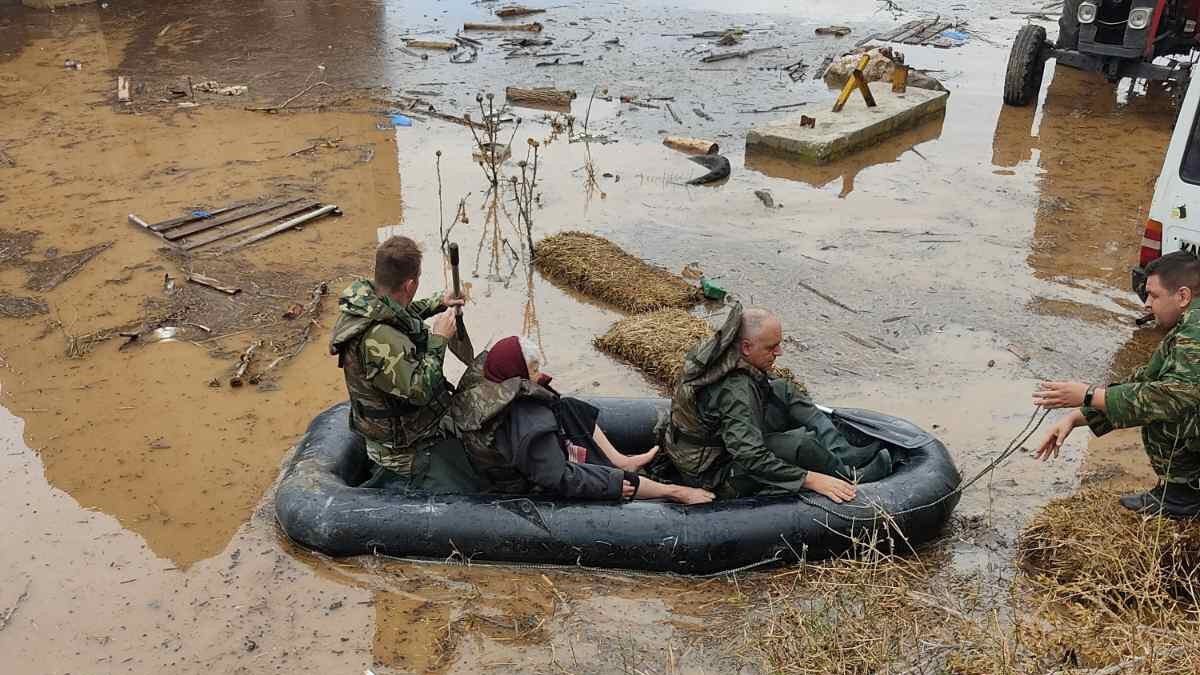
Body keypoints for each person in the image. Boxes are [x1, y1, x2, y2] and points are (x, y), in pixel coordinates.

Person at [662, 303, 891, 502]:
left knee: (784, 390)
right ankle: (850, 478)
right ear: (746, 347)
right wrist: (809, 479)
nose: (779, 352)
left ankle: (844, 454)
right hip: (715, 474)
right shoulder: (735, 389)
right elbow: (750, 456)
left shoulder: (723, 353)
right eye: (771, 347)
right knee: (800, 443)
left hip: (717, 442)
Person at [450, 336, 715, 504]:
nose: (539, 374)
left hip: (522, 460)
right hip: (524, 484)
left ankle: (623, 460)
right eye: (533, 369)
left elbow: (539, 394)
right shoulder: (528, 423)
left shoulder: (492, 380)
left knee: (567, 407)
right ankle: (672, 492)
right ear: (517, 371)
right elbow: (559, 477)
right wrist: (610, 484)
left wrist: (536, 382)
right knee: (614, 480)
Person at [1034, 251, 1200, 518]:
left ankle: (1182, 496)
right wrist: (1077, 416)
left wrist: (1088, 395)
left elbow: (1173, 397)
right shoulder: (1188, 326)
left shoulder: (1196, 329)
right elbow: (1147, 378)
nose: (1146, 304)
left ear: (1182, 296)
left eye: (1154, 295)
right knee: (1148, 394)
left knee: (1163, 410)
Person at [329, 235, 464, 486]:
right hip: (401, 452)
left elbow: (399, 315)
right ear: (410, 285)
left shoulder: (369, 305)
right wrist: (439, 340)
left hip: (396, 433)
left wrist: (438, 302)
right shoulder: (379, 339)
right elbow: (420, 390)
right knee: (473, 479)